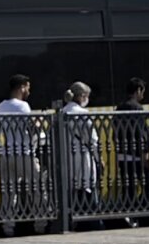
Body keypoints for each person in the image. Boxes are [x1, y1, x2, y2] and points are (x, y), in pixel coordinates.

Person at [0, 74, 42, 237]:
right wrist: (37, 123)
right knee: (36, 188)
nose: (29, 90)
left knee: (8, 193)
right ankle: (40, 224)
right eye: (27, 87)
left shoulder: (1, 106)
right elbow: (30, 128)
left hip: (7, 154)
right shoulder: (23, 106)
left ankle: (8, 228)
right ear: (21, 87)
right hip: (24, 153)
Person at [62, 81, 103, 231]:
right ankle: (93, 223)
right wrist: (99, 159)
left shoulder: (62, 112)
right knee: (88, 189)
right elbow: (92, 140)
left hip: (67, 159)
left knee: (73, 191)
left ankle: (73, 223)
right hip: (83, 156)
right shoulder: (83, 114)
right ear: (81, 96)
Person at [115, 77, 149, 228]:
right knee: (147, 183)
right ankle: (143, 214)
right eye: (142, 91)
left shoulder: (120, 107)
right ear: (138, 91)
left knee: (127, 186)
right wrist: (145, 153)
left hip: (122, 154)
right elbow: (141, 133)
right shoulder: (137, 108)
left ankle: (128, 215)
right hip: (135, 155)